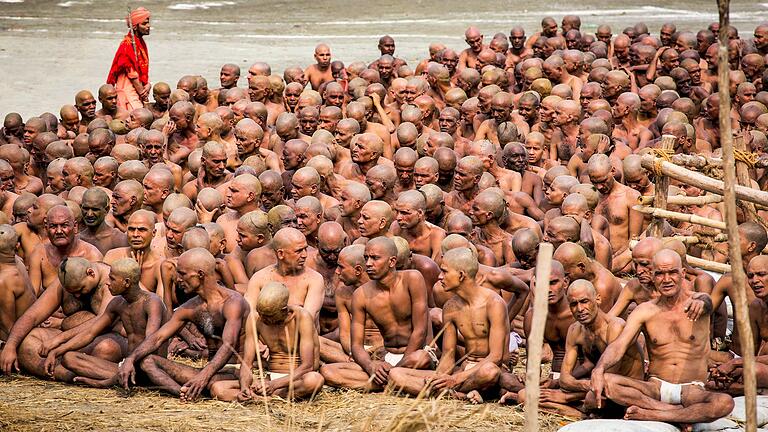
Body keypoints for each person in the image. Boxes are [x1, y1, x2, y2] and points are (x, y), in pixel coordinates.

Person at [591, 250, 733, 425]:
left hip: (692, 389)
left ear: (682, 274)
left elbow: (707, 302)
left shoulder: (697, 302)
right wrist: (599, 369)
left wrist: (703, 302)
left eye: (672, 272)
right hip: (655, 388)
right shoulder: (645, 310)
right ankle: (672, 412)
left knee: (724, 403)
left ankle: (656, 415)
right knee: (606, 381)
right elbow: (619, 345)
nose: (666, 280)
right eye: (659, 274)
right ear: (652, 276)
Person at [117, 248, 249, 400]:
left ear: (200, 274)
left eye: (183, 273)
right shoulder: (191, 307)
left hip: (233, 372)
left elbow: (229, 345)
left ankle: (197, 389)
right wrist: (131, 358)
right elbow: (158, 337)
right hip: (206, 371)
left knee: (214, 386)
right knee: (146, 361)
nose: (177, 279)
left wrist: (203, 377)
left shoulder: (232, 302)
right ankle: (184, 393)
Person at [389, 248, 508, 403]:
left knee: (489, 371)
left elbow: (496, 357)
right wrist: (441, 377)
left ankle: (445, 392)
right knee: (395, 373)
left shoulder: (494, 303)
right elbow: (448, 354)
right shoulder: (450, 307)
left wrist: (456, 379)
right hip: (462, 371)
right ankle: (455, 395)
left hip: (486, 370)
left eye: (444, 272)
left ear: (461, 275)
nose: (439, 276)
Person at [321, 236, 432, 391]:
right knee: (328, 371)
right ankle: (394, 384)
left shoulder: (412, 279)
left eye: (375, 258)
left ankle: (390, 381)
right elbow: (356, 345)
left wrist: (396, 369)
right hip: (387, 358)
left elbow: (420, 331)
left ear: (392, 261)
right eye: (366, 258)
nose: (368, 264)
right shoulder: (361, 295)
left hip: (413, 356)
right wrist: (371, 366)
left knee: (420, 358)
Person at [37, 258, 169, 388]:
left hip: (149, 366)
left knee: (142, 361)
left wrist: (131, 359)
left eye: (112, 278)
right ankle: (122, 378)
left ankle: (123, 379)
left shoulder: (152, 302)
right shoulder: (117, 303)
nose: (107, 283)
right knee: (69, 358)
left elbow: (152, 341)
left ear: (126, 282)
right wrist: (57, 351)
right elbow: (90, 333)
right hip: (128, 366)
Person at [210, 282, 324, 401]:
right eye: (261, 314)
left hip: (296, 379)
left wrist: (274, 385)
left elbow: (308, 366)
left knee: (314, 380)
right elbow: (247, 363)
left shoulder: (302, 317)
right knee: (218, 388)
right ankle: (261, 398)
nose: (264, 320)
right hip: (271, 379)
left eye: (269, 316)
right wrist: (245, 387)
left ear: (284, 310)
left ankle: (264, 397)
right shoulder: (255, 318)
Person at [246, 227, 325, 322]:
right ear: (280, 254)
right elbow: (249, 316)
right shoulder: (260, 278)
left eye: (305, 249)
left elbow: (307, 320)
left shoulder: (314, 279)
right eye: (299, 251)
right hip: (267, 335)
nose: (304, 255)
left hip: (301, 335)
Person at [28, 205, 103, 295]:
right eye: (53, 226)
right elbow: (32, 294)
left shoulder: (91, 255)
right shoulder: (40, 253)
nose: (59, 231)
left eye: (64, 226)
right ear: (46, 228)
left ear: (75, 227)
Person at [104, 210, 163, 292]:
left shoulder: (159, 265)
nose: (135, 235)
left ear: (154, 233)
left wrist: (135, 279)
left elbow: (160, 303)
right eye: (131, 229)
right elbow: (105, 293)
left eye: (142, 230)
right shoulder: (112, 256)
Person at [107, 7, 151, 112]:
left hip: (137, 88)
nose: (148, 26)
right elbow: (133, 75)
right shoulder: (127, 45)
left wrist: (148, 84)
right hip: (127, 90)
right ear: (135, 27)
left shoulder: (140, 43)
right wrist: (143, 94)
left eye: (148, 23)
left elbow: (141, 71)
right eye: (144, 24)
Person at [0, 224, 36, 342]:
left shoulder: (4, 281)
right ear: (17, 246)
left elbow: (8, 328)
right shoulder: (18, 260)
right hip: (31, 324)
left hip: (20, 336)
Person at [390, 190, 445, 261]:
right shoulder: (395, 227)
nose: (398, 217)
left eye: (404, 213)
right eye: (397, 211)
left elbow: (436, 268)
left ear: (420, 213)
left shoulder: (436, 235)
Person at [79, 188, 128, 255]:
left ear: (106, 210)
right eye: (86, 208)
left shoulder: (119, 240)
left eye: (95, 209)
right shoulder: (77, 239)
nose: (89, 214)